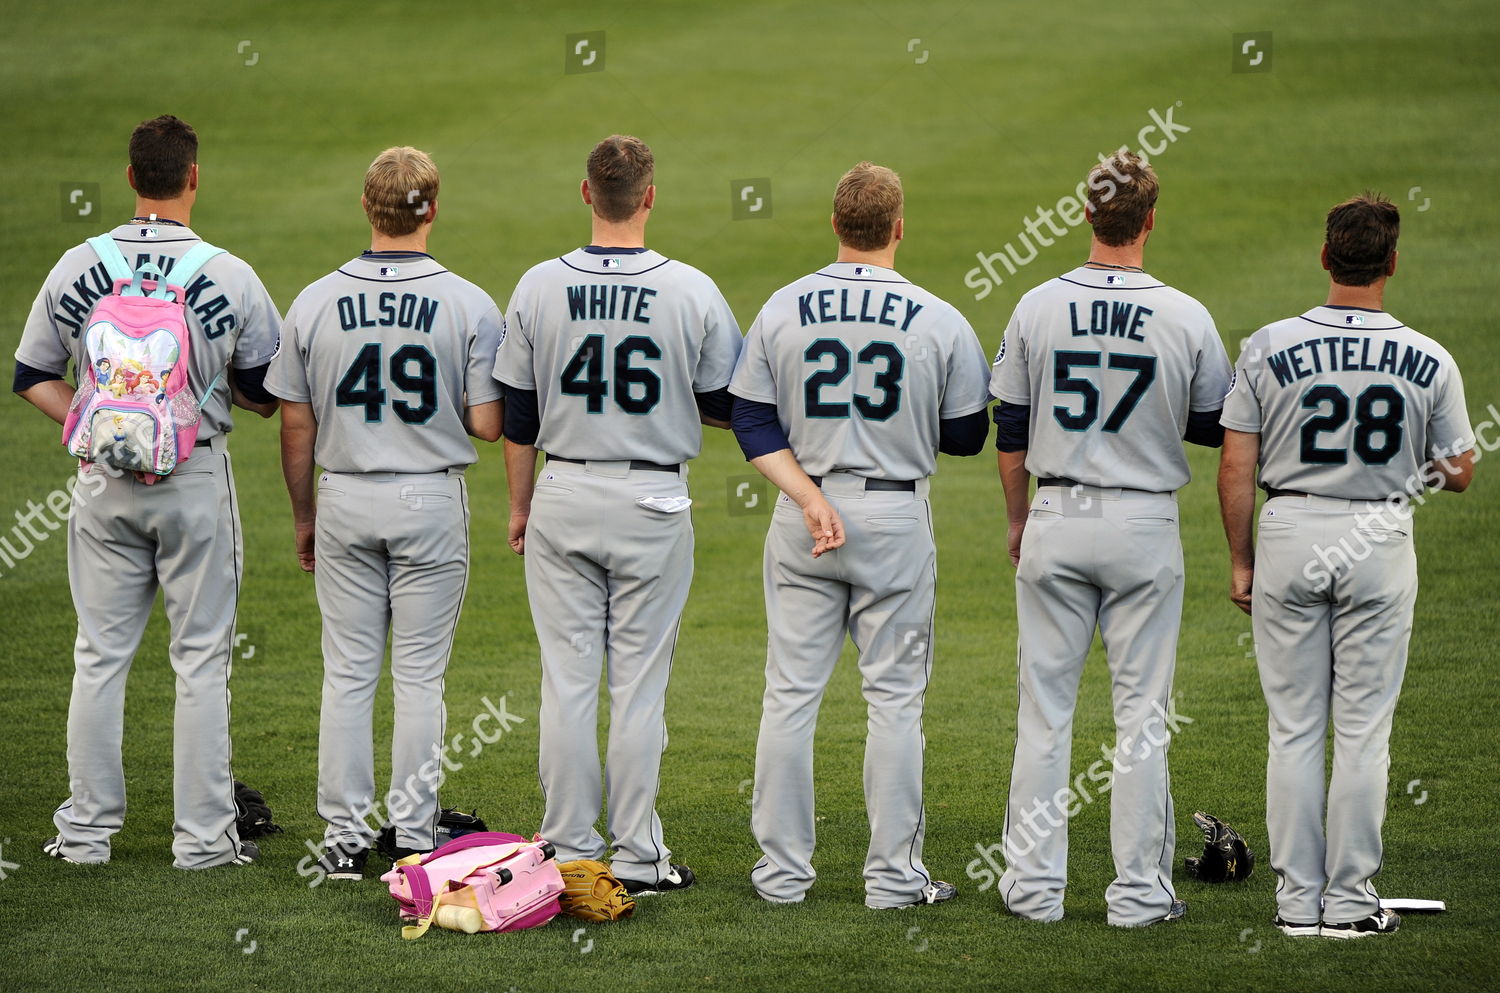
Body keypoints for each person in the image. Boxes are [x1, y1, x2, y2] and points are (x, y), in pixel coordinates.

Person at [14, 114, 281, 868]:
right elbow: (267, 392)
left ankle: (85, 835)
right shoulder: (229, 273)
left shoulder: (77, 264)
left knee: (98, 655)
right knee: (200, 660)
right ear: (193, 177)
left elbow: (31, 375)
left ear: (132, 179)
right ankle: (202, 842)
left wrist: (98, 430)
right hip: (193, 481)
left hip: (101, 485)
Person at [729, 162, 991, 909]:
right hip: (894, 520)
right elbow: (969, 434)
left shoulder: (783, 307)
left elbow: (750, 418)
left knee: (788, 696)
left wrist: (811, 495)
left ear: (836, 225)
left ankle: (781, 877)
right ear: (898, 227)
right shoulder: (938, 317)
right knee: (896, 702)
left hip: (802, 517)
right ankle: (893, 880)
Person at [1218, 194, 1474, 939]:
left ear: (1326, 257)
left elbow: (1237, 462)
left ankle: (1298, 904)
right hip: (1378, 536)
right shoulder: (1428, 355)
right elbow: (1460, 471)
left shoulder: (1269, 344)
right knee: (1363, 731)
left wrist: (1243, 560)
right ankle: (1351, 901)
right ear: (1391, 263)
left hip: (1291, 527)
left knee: (1294, 729)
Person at [494, 135, 742, 895]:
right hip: (652, 498)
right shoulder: (692, 288)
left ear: (586, 193)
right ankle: (637, 855)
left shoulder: (538, 285)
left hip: (563, 493)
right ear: (650, 196)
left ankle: (570, 846)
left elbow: (519, 415)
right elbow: (728, 405)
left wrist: (520, 504)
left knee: (567, 680)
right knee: (638, 685)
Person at [990, 150, 1231, 926]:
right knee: (1142, 717)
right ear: (1150, 221)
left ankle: (1031, 891)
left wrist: (1019, 518)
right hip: (1143, 524)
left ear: (1086, 213)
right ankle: (1138, 896)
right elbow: (1212, 424)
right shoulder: (1186, 312)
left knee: (1044, 714)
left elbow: (1012, 430)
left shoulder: (1035, 304)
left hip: (1058, 516)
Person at [266, 147, 504, 881]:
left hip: (343, 495)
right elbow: (489, 424)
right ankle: (411, 831)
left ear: (367, 208)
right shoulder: (468, 301)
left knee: (347, 672)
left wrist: (305, 515)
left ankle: (341, 838)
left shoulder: (312, 300)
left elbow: (295, 426)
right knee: (419, 675)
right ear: (430, 209)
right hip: (429, 495)